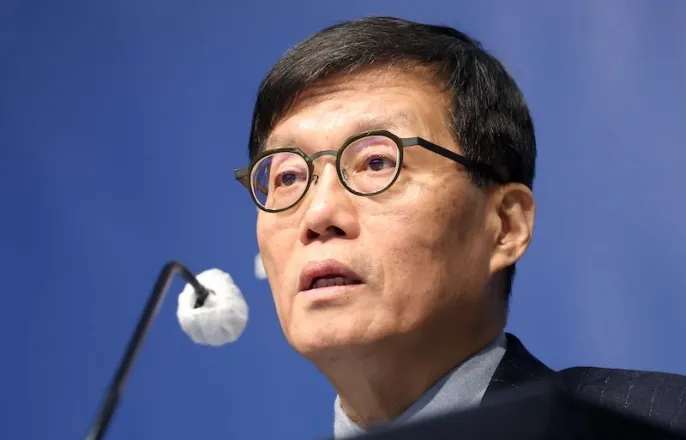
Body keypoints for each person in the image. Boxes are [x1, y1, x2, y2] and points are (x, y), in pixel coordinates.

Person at [234, 16, 686, 438]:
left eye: (377, 163)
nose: (318, 216)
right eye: (287, 177)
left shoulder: (653, 421)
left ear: (505, 225)